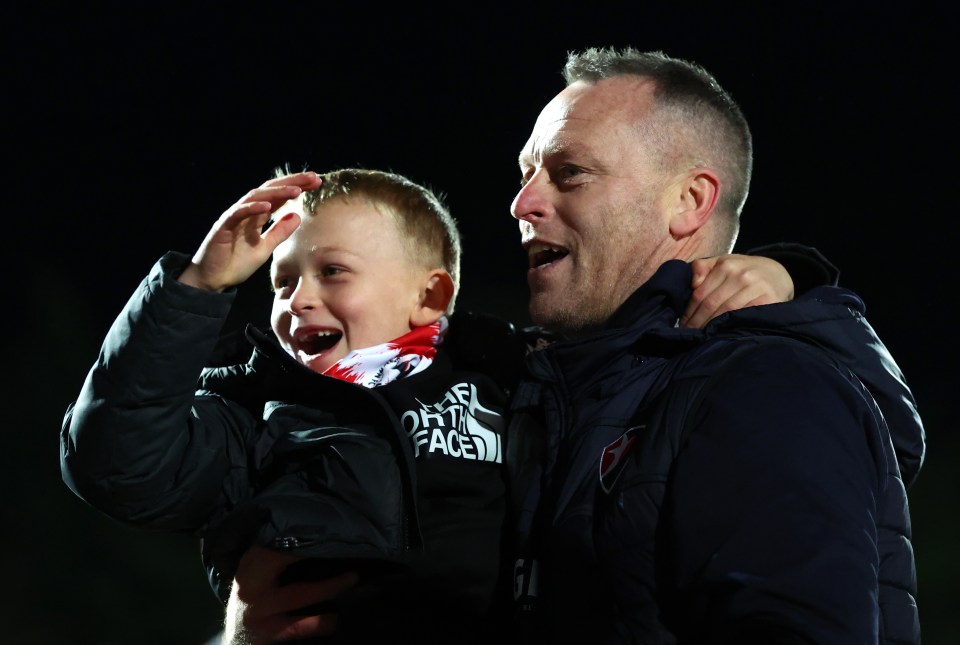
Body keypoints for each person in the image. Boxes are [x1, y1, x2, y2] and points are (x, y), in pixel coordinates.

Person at [220, 48, 925, 644]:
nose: (522, 203)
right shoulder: (532, 389)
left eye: (569, 173)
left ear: (689, 203)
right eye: (526, 173)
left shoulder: (767, 387)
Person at [60, 164, 798, 644]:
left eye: (333, 271)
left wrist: (782, 275)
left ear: (432, 295)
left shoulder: (518, 376)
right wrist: (198, 288)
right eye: (280, 280)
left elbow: (651, 357)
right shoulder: (256, 408)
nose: (297, 299)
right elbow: (114, 461)